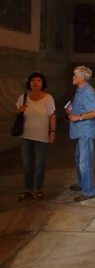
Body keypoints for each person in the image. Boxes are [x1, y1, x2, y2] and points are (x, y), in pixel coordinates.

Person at [14, 72, 56, 201]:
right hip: (26, 135)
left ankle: (38, 190)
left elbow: (52, 115)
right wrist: (19, 110)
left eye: (38, 80)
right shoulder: (24, 96)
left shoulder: (48, 98)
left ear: (42, 83)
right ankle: (27, 189)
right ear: (29, 83)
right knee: (27, 163)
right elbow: (16, 111)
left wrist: (52, 132)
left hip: (41, 136)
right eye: (33, 80)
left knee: (40, 163)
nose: (36, 82)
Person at [67, 66, 95, 202]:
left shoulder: (88, 91)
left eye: (75, 75)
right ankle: (82, 183)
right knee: (78, 158)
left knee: (84, 162)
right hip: (79, 130)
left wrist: (79, 116)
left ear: (81, 78)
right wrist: (72, 112)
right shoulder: (80, 90)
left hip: (85, 131)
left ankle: (89, 191)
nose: (73, 78)